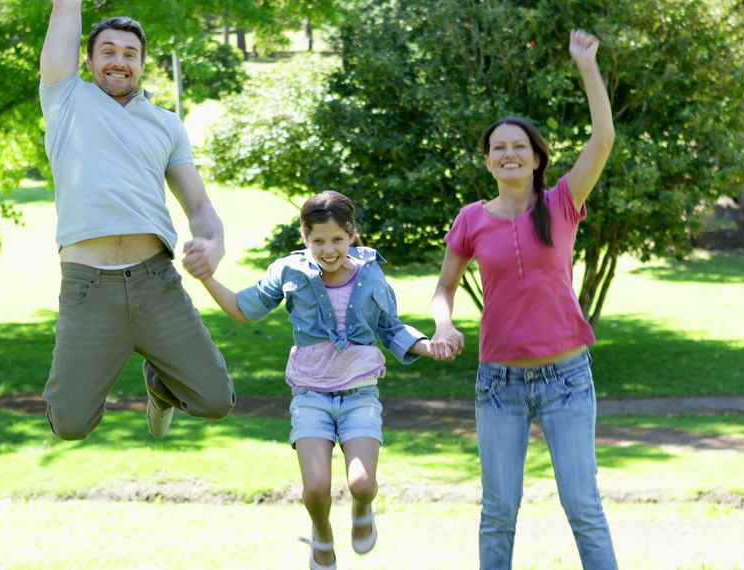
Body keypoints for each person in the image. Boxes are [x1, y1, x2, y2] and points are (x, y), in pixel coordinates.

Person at [430, 30, 618, 569]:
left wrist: (587, 66)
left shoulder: (562, 202)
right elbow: (444, 286)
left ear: (536, 158)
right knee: (498, 510)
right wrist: (443, 326)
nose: (508, 154)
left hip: (567, 380)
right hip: (499, 384)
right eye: (498, 148)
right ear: (489, 162)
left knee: (583, 505)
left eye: (519, 146)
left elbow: (602, 139)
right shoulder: (471, 219)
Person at [198, 191, 446, 570]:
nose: (328, 250)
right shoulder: (289, 271)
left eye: (336, 240)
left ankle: (363, 510)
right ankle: (322, 533)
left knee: (362, 483)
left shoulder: (371, 273)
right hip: (311, 393)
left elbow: (390, 327)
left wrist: (429, 347)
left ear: (351, 234)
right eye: (318, 241)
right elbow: (242, 309)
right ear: (304, 237)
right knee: (315, 488)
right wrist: (207, 278)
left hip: (359, 393)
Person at [38, 0, 234, 441]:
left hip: (155, 282)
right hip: (88, 287)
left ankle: (160, 387)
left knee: (215, 400)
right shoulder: (65, 98)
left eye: (130, 53)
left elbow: (200, 208)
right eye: (107, 51)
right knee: (70, 425)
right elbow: (65, 13)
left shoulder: (166, 125)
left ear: (143, 65)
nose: (118, 61)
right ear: (86, 61)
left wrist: (213, 245)